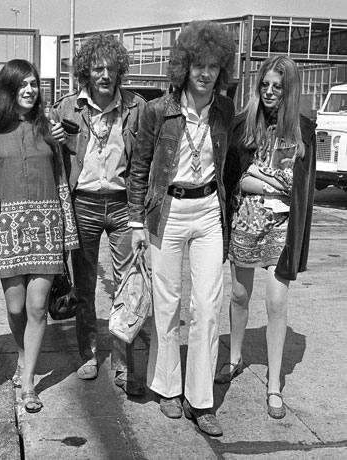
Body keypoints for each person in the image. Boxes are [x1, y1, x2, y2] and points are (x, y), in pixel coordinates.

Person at [128, 21, 236, 436]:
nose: (205, 73)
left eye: (213, 66)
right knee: (167, 303)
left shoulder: (224, 110)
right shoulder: (159, 110)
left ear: (222, 69)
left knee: (207, 306)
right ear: (184, 67)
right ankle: (168, 388)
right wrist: (136, 221)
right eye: (198, 65)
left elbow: (230, 167)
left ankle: (201, 399)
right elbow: (139, 168)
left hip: (208, 210)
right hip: (167, 210)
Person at [214, 55, 316, 420]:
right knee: (239, 296)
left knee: (276, 303)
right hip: (245, 221)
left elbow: (300, 188)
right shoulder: (243, 124)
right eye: (265, 85)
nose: (270, 92)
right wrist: (273, 182)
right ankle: (234, 357)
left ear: (289, 90)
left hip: (282, 228)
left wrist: (264, 178)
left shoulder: (303, 130)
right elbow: (238, 178)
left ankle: (274, 384)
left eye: (278, 86)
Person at [50, 33, 148, 396]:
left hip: (124, 204)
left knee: (129, 286)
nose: (104, 75)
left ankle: (124, 364)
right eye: (97, 69)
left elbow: (145, 159)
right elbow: (46, 152)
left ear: (119, 71)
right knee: (85, 285)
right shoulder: (66, 108)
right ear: (86, 73)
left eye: (110, 68)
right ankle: (88, 353)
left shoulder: (137, 107)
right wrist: (52, 139)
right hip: (84, 204)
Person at [0, 59, 78, 413]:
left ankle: (28, 384)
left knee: (38, 307)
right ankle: (24, 355)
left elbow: (68, 174)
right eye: (22, 84)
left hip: (46, 227)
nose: (30, 90)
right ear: (8, 89)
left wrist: (65, 144)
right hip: (6, 229)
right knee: (16, 307)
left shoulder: (50, 128)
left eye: (34, 83)